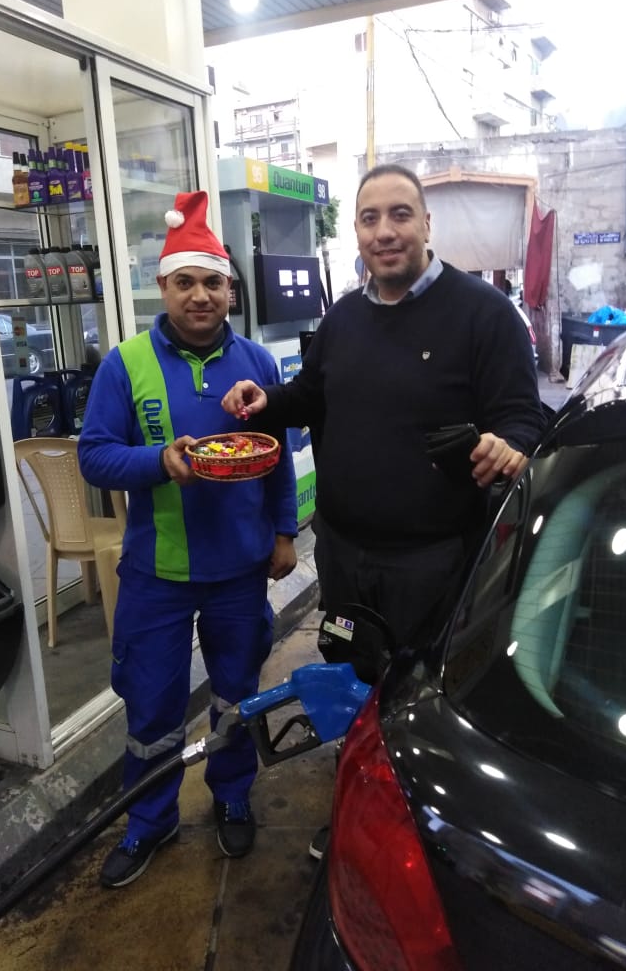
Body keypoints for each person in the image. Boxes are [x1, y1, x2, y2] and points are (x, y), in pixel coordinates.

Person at [221, 164, 546, 852]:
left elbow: (523, 416)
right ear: (357, 233)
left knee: (421, 701)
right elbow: (312, 396)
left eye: (400, 214)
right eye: (370, 218)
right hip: (343, 556)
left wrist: (511, 444)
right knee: (353, 683)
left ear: (427, 223)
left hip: (436, 561)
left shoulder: (484, 315)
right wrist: (266, 402)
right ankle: (358, 811)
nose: (385, 231)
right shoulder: (344, 317)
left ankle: (419, 837)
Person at [78, 190, 298, 888]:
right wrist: (158, 462)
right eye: (185, 283)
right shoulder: (125, 364)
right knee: (151, 705)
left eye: (212, 283)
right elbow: (94, 456)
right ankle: (150, 819)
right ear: (163, 287)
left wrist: (285, 533)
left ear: (230, 290)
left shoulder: (258, 364)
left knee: (235, 693)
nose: (199, 296)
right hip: (156, 571)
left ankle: (232, 793)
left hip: (240, 569)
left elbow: (277, 457)